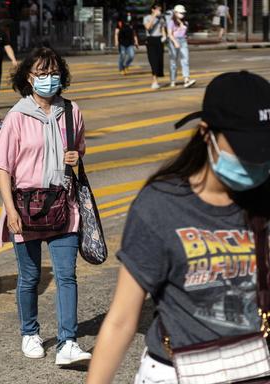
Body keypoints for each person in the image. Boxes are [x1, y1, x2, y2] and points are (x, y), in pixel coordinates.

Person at [86, 71, 270, 384]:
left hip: (255, 369)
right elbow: (121, 319)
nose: (255, 161)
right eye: (243, 147)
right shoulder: (160, 205)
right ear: (206, 133)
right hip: (176, 373)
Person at [0, 46, 91, 366]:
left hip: (64, 204)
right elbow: (3, 167)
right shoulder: (16, 117)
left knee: (66, 276)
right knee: (30, 276)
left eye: (53, 73)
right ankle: (30, 332)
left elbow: (78, 151)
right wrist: (10, 211)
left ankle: (68, 342)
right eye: (41, 73)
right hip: (25, 206)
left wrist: (76, 157)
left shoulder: (73, 112)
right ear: (28, 78)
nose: (48, 79)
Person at [167, 5, 196, 88]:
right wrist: (175, 42)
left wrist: (181, 24)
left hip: (183, 41)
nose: (182, 14)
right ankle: (173, 80)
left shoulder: (186, 22)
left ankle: (186, 79)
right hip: (173, 41)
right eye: (180, 13)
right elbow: (169, 34)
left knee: (185, 60)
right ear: (175, 13)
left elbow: (184, 32)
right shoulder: (171, 22)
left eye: (183, 13)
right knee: (173, 62)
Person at [143, 3, 167, 90]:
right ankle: (154, 81)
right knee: (153, 60)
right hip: (151, 40)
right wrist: (154, 16)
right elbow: (148, 27)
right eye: (157, 9)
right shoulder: (147, 18)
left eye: (160, 10)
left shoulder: (161, 19)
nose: (159, 11)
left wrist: (164, 36)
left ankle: (156, 80)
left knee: (159, 60)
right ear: (153, 10)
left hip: (159, 40)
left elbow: (163, 29)